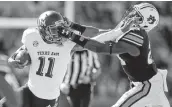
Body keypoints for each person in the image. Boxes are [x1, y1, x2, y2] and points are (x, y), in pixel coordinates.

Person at [57, 3, 170, 107]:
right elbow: (101, 33)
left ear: (144, 22)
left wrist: (72, 36)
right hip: (148, 83)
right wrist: (73, 26)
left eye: (136, 15)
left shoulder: (136, 36)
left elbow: (100, 47)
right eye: (133, 13)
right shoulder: (130, 31)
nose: (131, 16)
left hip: (147, 86)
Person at [8, 10, 105, 107]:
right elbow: (20, 51)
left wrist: (73, 25)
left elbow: (94, 36)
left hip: (49, 98)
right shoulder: (32, 36)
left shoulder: (68, 43)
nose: (58, 34)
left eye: (59, 29)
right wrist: (12, 60)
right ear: (43, 29)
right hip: (30, 90)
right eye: (54, 30)